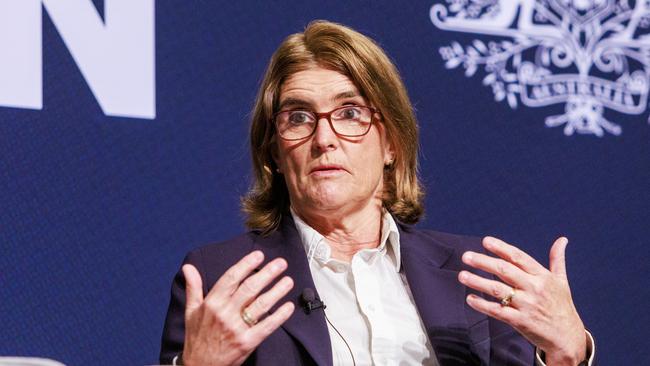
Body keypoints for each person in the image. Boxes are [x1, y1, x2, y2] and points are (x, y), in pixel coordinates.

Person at [160, 20, 595, 366]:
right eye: (298, 118)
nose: (324, 138)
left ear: (392, 144)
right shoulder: (222, 279)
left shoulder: (474, 277)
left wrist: (565, 355)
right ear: (273, 150)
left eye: (349, 113)